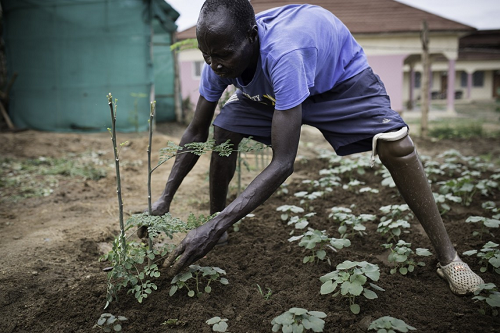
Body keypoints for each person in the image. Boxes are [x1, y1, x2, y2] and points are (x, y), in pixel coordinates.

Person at [153, 0, 483, 295]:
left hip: (339, 82)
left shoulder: (285, 52)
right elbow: (196, 131)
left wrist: (216, 224)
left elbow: (283, 162)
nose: (215, 64)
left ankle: (449, 258)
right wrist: (164, 200)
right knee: (224, 127)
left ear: (252, 36)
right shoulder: (220, 57)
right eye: (206, 55)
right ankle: (217, 228)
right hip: (278, 93)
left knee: (397, 146)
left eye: (223, 55)